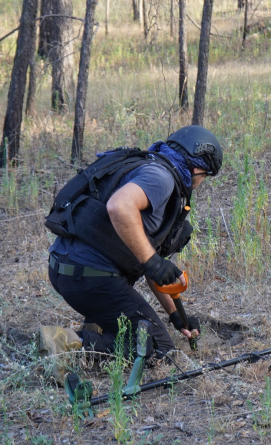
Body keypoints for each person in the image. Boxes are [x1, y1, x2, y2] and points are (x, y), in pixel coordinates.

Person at [38, 126, 223, 379]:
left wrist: (176, 316)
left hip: (66, 269)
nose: (201, 183)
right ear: (195, 167)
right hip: (90, 278)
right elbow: (119, 206)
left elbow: (147, 260)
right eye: (205, 175)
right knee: (159, 350)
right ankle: (65, 344)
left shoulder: (148, 166)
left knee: (138, 329)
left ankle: (100, 326)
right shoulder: (161, 178)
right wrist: (154, 262)